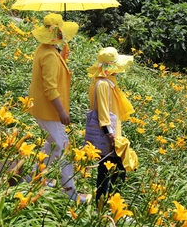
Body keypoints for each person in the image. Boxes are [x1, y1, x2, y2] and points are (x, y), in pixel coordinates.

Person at [27, 13, 79, 201]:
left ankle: (33, 176)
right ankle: (69, 191)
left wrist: (62, 56)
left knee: (51, 145)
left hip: (43, 108)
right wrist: (62, 112)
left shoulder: (46, 49)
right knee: (63, 147)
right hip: (49, 111)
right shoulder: (49, 54)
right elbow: (50, 88)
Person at [86, 47, 135, 204]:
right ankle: (108, 206)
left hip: (112, 133)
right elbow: (103, 112)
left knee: (110, 171)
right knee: (112, 171)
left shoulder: (107, 82)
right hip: (108, 135)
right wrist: (111, 136)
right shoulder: (103, 84)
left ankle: (105, 205)